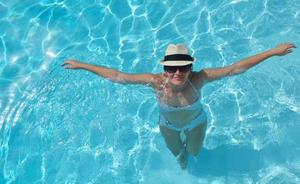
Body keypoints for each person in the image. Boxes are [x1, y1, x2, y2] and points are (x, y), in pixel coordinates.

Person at [62, 42, 296, 169]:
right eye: (171, 68)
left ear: (190, 68)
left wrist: (273, 52)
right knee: (179, 155)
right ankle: (182, 157)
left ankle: (192, 154)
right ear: (164, 69)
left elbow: (236, 68)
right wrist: (83, 65)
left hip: (196, 123)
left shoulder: (199, 78)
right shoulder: (155, 83)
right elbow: (116, 75)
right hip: (168, 126)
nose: (177, 73)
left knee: (194, 152)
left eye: (183, 67)